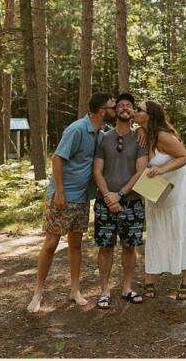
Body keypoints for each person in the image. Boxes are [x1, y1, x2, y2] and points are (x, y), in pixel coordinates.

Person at [27, 92, 116, 313]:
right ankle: (38, 292)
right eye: (113, 107)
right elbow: (57, 158)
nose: (115, 110)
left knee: (75, 244)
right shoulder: (76, 129)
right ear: (102, 111)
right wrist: (59, 192)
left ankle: (74, 291)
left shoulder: (103, 133)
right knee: (50, 244)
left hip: (82, 199)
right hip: (61, 198)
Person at [136, 100, 186, 300]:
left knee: (179, 228)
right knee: (155, 230)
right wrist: (140, 130)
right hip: (155, 191)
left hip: (176, 190)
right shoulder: (143, 134)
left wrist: (161, 169)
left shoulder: (163, 136)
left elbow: (185, 157)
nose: (135, 111)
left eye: (139, 109)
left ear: (149, 115)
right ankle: (149, 278)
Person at [92, 92, 150, 309]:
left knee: (129, 246)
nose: (125, 108)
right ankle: (104, 290)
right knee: (105, 247)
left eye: (129, 105)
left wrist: (121, 194)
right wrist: (109, 196)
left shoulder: (139, 138)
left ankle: (127, 287)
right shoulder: (104, 138)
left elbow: (141, 170)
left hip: (132, 202)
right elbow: (97, 170)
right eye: (121, 105)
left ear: (133, 111)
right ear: (115, 111)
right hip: (104, 203)